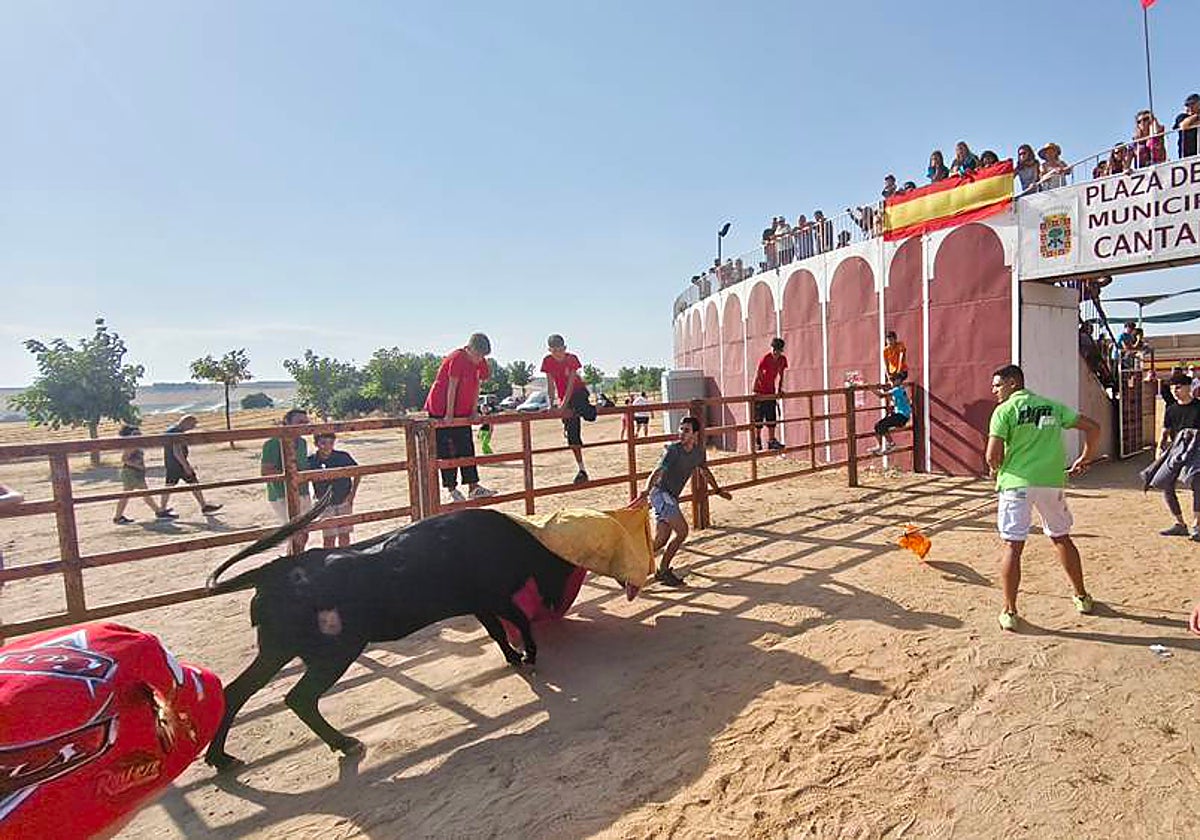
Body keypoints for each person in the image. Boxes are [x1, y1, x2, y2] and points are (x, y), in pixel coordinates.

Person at [986, 364, 1100, 632]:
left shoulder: (1004, 411)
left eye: (997, 385)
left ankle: (1010, 610)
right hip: (1051, 482)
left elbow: (992, 455)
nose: (994, 391)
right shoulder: (1051, 406)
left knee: (1013, 546)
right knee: (1061, 537)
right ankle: (1082, 596)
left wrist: (995, 471)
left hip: (1016, 484)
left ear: (1013, 383)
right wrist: (1087, 457)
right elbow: (1093, 427)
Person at [636, 416, 731, 587]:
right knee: (682, 531)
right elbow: (658, 471)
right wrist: (646, 490)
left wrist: (717, 490)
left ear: (695, 434)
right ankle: (662, 571)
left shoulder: (698, 453)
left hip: (670, 497)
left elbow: (705, 471)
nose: (681, 433)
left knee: (661, 539)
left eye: (686, 430)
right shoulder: (673, 450)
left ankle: (630, 565)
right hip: (661, 493)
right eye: (681, 429)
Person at [424, 333, 498, 502]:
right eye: (477, 355)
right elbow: (452, 385)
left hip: (462, 411)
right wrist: (448, 414)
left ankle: (473, 486)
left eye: (483, 356)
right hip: (441, 409)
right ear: (469, 348)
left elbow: (476, 385)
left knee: (466, 447)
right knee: (448, 450)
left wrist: (474, 410)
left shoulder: (480, 363)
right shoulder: (457, 358)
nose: (479, 359)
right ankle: (452, 490)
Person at [541, 334, 597, 484]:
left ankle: (601, 405)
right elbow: (550, 384)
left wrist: (563, 405)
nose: (559, 353)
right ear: (550, 350)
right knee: (572, 433)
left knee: (589, 414)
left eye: (561, 350)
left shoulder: (571, 359)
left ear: (565, 348)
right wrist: (551, 404)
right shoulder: (548, 361)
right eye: (555, 351)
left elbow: (572, 383)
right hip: (563, 397)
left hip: (577, 392)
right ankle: (582, 469)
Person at [1152, 372, 1200, 539]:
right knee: (1165, 482)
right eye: (1173, 388)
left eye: (1178, 387)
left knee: (1197, 482)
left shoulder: (1198, 407)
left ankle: (1197, 525)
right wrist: (1159, 448)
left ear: (1189, 388)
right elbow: (1165, 431)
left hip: (1196, 450)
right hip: (1177, 449)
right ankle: (1180, 523)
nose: (1175, 391)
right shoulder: (1171, 409)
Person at [262, 408, 312, 552]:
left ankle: (293, 560)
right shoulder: (273, 443)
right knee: (295, 533)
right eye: (299, 422)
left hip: (302, 491)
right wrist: (293, 477)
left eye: (306, 422)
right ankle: (294, 564)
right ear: (287, 422)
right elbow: (266, 471)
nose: (303, 425)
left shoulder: (302, 443)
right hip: (281, 493)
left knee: (303, 532)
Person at [159, 415, 222, 516]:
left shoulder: (171, 430)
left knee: (175, 485)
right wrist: (186, 466)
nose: (193, 427)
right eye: (192, 424)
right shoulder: (176, 433)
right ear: (186, 422)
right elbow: (177, 452)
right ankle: (162, 510)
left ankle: (162, 509)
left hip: (172, 463)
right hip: (177, 464)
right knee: (177, 485)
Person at [113, 425, 175, 524]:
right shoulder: (132, 445)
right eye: (136, 433)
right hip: (131, 472)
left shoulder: (136, 444)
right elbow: (124, 459)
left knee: (133, 494)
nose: (139, 434)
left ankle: (118, 517)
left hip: (134, 472)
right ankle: (159, 512)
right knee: (140, 494)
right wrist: (138, 466)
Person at [308, 432, 360, 549]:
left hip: (343, 500)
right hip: (325, 503)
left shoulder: (342, 456)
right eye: (323, 443)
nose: (327, 446)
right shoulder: (311, 461)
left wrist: (352, 494)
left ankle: (345, 558)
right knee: (329, 537)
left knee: (344, 534)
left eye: (331, 443)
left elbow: (358, 472)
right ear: (316, 444)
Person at [752, 338, 788, 451]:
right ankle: (757, 440)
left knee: (771, 417)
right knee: (758, 417)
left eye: (778, 351)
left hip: (771, 391)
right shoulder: (765, 359)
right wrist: (755, 390)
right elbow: (758, 374)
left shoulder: (782, 360)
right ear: (771, 348)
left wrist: (779, 389)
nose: (776, 353)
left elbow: (781, 375)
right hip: (760, 391)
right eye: (774, 350)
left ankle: (771, 440)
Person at [871, 373, 912, 454]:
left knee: (881, 425)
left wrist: (870, 388)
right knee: (877, 426)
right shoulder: (898, 389)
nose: (892, 382)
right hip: (901, 415)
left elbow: (881, 395)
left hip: (902, 416)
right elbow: (888, 391)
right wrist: (881, 387)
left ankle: (891, 444)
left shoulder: (897, 390)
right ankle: (880, 446)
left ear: (899, 381)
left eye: (893, 380)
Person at [1175, 93, 1200, 159]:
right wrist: (1197, 116)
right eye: (1187, 105)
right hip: (1187, 155)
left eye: (1193, 104)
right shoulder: (1182, 116)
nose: (1190, 107)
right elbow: (1183, 125)